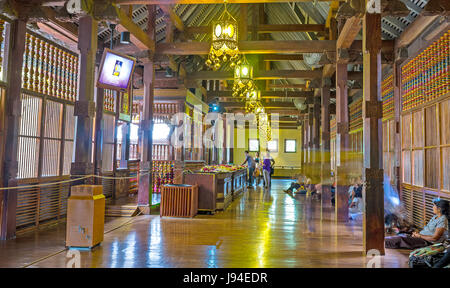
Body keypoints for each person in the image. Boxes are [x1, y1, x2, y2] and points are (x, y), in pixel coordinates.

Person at [385, 198, 449, 249]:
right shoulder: (435, 216)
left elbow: (434, 238)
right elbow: (427, 230)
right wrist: (417, 234)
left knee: (400, 239)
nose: (432, 207)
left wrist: (419, 236)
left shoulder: (443, 220)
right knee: (402, 235)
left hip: (427, 242)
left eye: (434, 206)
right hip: (421, 237)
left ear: (439, 209)